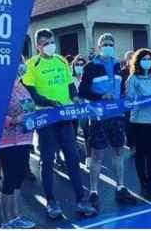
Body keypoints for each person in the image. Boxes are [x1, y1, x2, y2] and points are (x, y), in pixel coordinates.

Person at [22, 29, 96, 219]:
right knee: (47, 161)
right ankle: (51, 202)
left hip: (65, 117)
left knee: (72, 158)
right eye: (45, 43)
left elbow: (69, 85)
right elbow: (31, 92)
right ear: (38, 45)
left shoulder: (62, 61)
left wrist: (76, 97)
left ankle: (81, 200)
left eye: (51, 42)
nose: (50, 46)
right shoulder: (32, 64)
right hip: (46, 118)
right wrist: (48, 102)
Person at [79, 34, 137, 209]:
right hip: (98, 117)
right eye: (104, 44)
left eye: (111, 44)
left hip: (117, 116)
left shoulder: (118, 64)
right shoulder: (90, 67)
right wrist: (101, 96)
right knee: (97, 156)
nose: (108, 46)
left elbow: (121, 89)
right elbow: (82, 91)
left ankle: (120, 187)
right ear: (98, 47)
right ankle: (94, 191)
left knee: (119, 152)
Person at [0, 56, 37, 228]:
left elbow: (30, 107)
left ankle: (16, 217)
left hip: (24, 138)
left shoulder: (21, 85)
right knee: (9, 179)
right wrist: (13, 121)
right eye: (18, 63)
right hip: (8, 140)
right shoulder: (1, 86)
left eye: (22, 62)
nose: (22, 66)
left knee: (18, 179)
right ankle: (6, 221)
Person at [126, 48, 151, 199]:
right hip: (139, 120)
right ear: (138, 61)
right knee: (141, 154)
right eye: (144, 59)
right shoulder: (133, 78)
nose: (147, 62)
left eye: (149, 59)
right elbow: (129, 100)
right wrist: (139, 100)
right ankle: (143, 184)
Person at [120, 51, 135, 154]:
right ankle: (132, 146)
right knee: (128, 125)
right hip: (126, 103)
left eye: (133, 57)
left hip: (138, 103)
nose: (131, 59)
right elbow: (120, 89)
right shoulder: (122, 73)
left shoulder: (137, 72)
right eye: (129, 57)